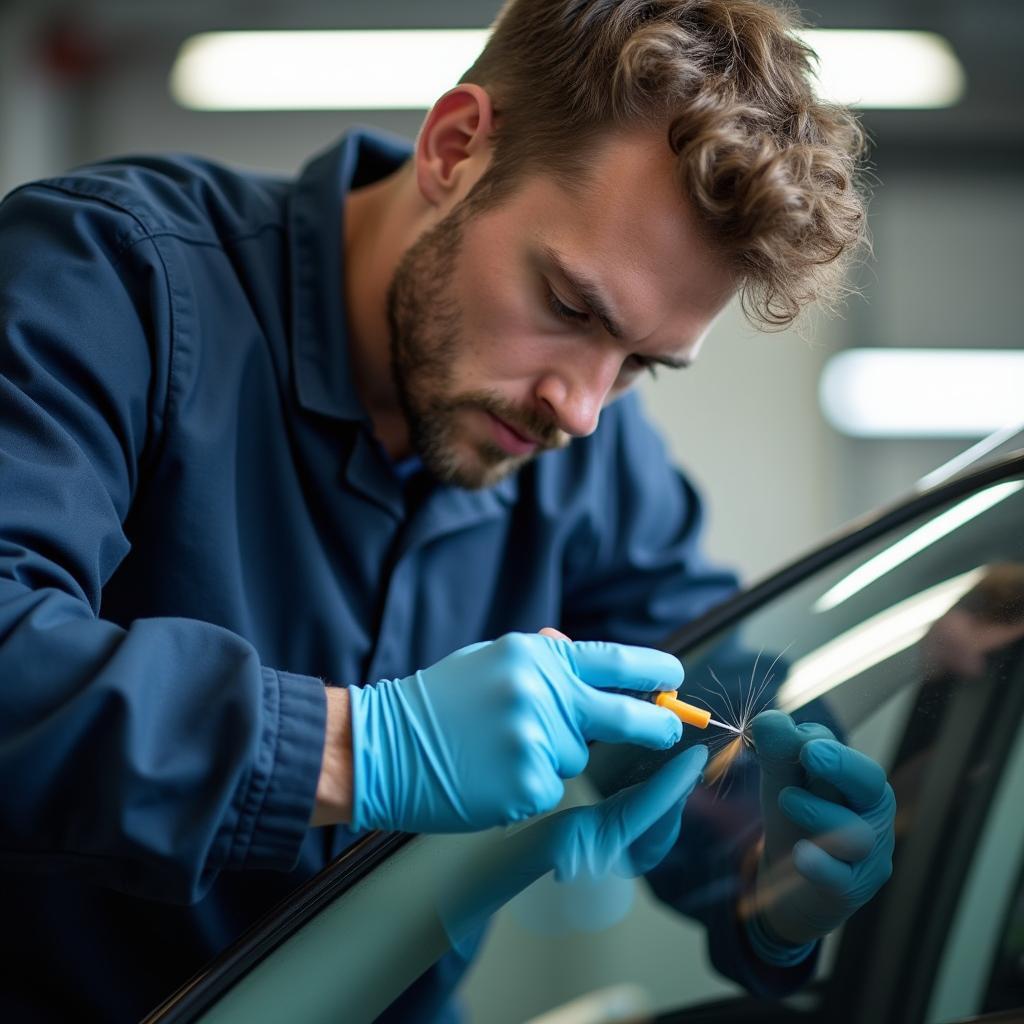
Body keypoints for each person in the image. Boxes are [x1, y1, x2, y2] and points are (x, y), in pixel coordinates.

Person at [0, 0, 895, 1020]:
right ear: (456, 147)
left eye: (640, 363)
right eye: (568, 306)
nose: (582, 409)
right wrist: (354, 747)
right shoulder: (113, 279)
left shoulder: (590, 467)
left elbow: (703, 687)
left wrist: (782, 873)